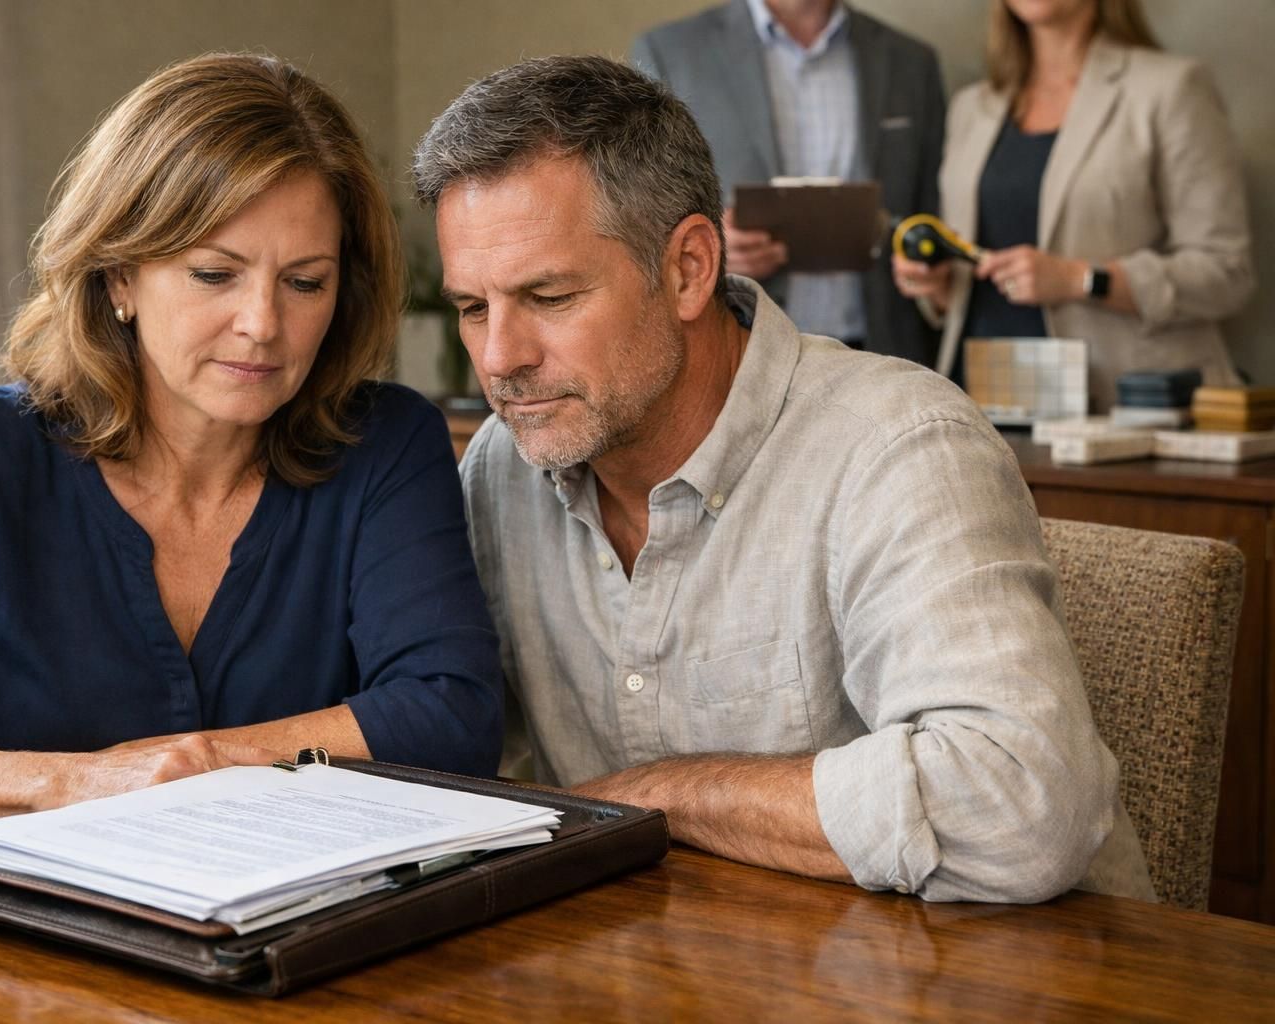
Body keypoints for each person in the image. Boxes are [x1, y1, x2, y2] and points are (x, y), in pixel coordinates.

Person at [414, 54, 1155, 903]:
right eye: (473, 307)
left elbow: (1022, 807)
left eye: (548, 297)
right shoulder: (504, 465)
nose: (499, 358)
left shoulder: (899, 445)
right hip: (698, 955)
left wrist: (653, 797)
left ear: (689, 268)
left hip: (1011, 961)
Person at [0, 53, 503, 832]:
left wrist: (199, 764)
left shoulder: (385, 443)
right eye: (214, 273)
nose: (262, 324)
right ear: (118, 277)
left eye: (305, 282)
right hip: (18, 908)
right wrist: (73, 783)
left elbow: (452, 715)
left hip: (307, 905)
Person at [894, 0, 1253, 411]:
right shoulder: (971, 107)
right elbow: (965, 281)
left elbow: (1227, 272)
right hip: (981, 407)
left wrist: (1080, 279)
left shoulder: (1171, 88)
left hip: (1122, 410)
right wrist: (938, 287)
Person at [631, 0, 945, 366]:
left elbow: (933, 215)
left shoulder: (911, 61)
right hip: (733, 356)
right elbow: (637, 226)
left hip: (884, 358)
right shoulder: (671, 52)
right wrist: (705, 247)